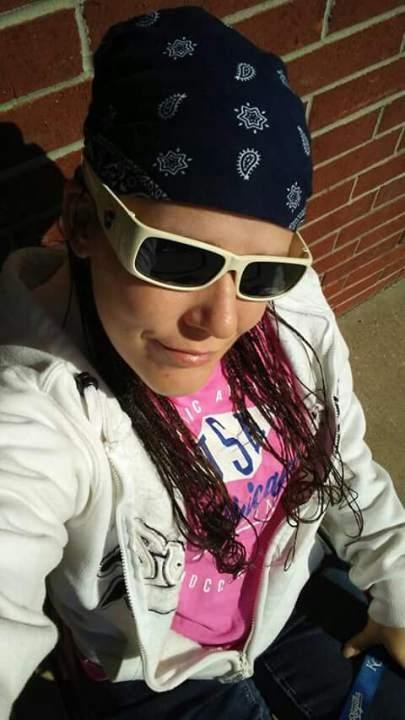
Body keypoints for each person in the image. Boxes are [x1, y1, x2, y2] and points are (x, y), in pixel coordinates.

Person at [0, 6, 404, 720]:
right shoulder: (36, 409)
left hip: (284, 600)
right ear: (85, 221)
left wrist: (398, 594)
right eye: (176, 259)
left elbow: (342, 461)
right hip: (146, 671)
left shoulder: (291, 311)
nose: (221, 321)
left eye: (262, 272)